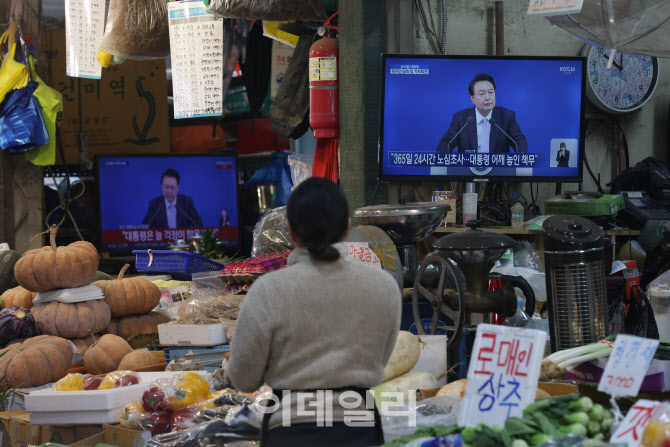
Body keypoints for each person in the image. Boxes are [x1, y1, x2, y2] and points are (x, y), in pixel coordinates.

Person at [226, 177, 401, 446]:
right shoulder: (384, 287)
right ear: (347, 228)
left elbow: (244, 379)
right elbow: (381, 359)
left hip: (289, 432)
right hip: (359, 428)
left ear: (291, 232)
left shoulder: (268, 290)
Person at [436, 73, 528, 153]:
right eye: (482, 94)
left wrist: (520, 155)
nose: (488, 98)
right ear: (472, 99)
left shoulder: (507, 116)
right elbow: (445, 144)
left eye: (491, 92)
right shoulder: (461, 119)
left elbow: (519, 142)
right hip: (467, 171)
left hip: (499, 171)